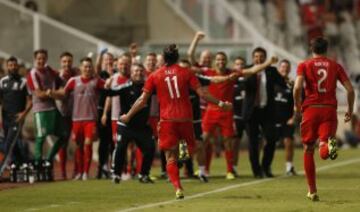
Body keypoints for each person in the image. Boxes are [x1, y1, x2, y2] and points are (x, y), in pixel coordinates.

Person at [119, 44, 231, 199]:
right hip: (185, 119)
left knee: (169, 156)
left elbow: (142, 100)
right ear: (177, 57)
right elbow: (203, 94)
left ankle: (178, 187)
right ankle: (182, 160)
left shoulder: (155, 75)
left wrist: (128, 115)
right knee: (188, 149)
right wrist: (221, 104)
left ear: (164, 58)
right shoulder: (186, 73)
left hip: (167, 120)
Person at [293, 37, 354, 201]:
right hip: (329, 110)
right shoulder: (335, 65)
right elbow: (349, 89)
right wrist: (349, 109)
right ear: (327, 48)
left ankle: (312, 191)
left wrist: (297, 105)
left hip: (311, 110)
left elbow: (298, 86)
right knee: (325, 148)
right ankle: (329, 144)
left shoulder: (304, 65)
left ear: (311, 48)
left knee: (308, 148)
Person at [201, 52, 278, 180]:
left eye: (223, 59)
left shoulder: (233, 71)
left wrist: (269, 63)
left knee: (228, 142)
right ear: (215, 61)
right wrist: (228, 78)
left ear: (226, 61)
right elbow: (214, 79)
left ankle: (230, 170)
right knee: (204, 140)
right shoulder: (208, 72)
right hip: (211, 110)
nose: (221, 61)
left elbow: (253, 69)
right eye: (219, 59)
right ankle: (203, 170)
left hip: (226, 111)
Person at [49, 57, 105, 180]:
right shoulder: (73, 81)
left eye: (90, 66)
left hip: (90, 119)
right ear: (80, 68)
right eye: (85, 66)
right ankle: (79, 172)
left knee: (88, 144)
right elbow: (64, 94)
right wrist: (52, 93)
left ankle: (85, 172)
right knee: (78, 146)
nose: (88, 69)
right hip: (76, 119)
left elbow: (108, 91)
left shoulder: (97, 81)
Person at [105, 63, 155, 184]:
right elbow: (109, 93)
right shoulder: (125, 87)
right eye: (135, 71)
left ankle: (143, 174)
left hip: (142, 127)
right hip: (126, 125)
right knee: (121, 148)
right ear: (131, 74)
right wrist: (107, 85)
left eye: (140, 71)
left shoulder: (149, 87)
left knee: (150, 148)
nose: (138, 73)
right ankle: (116, 174)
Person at [243, 47, 287, 178]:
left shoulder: (271, 71)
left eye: (261, 56)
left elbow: (283, 83)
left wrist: (288, 80)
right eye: (256, 56)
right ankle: (256, 171)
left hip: (267, 111)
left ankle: (266, 166)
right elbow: (244, 84)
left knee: (271, 139)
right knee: (253, 142)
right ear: (253, 58)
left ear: (265, 57)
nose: (259, 59)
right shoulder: (247, 70)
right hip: (252, 111)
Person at [26, 49, 66, 180]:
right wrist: (52, 93)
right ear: (35, 59)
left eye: (43, 58)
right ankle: (38, 165)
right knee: (40, 138)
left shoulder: (49, 70)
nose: (41, 61)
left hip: (52, 108)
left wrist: (54, 91)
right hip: (40, 110)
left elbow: (61, 80)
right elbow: (39, 94)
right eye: (39, 58)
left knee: (64, 135)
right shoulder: (33, 73)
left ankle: (48, 160)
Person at [0, 56, 32, 176]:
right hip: (5, 119)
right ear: (7, 67)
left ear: (17, 66)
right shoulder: (2, 81)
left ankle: (1, 171)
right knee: (14, 146)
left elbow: (30, 101)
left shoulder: (24, 82)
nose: (12, 67)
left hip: (17, 119)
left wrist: (23, 115)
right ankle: (25, 165)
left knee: (8, 145)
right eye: (10, 65)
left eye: (14, 65)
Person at [56, 52, 79, 180]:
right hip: (63, 114)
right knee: (63, 143)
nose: (67, 64)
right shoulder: (57, 77)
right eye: (64, 61)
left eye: (69, 61)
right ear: (61, 62)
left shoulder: (77, 74)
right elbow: (57, 93)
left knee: (76, 143)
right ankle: (63, 172)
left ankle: (77, 171)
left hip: (77, 114)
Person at [95, 50, 116, 179]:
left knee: (114, 142)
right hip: (102, 111)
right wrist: (99, 55)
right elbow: (96, 68)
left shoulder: (117, 74)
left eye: (110, 59)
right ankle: (101, 167)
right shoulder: (100, 75)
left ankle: (113, 167)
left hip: (115, 111)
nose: (108, 61)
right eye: (105, 59)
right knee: (103, 142)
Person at [274, 59, 296, 176]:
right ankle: (265, 167)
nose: (285, 69)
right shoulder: (272, 83)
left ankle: (289, 167)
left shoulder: (292, 85)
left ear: (290, 69)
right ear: (279, 68)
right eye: (282, 67)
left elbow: (297, 103)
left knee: (288, 141)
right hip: (273, 119)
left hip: (287, 119)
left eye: (287, 67)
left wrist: (294, 117)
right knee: (269, 143)